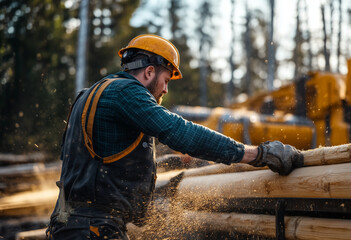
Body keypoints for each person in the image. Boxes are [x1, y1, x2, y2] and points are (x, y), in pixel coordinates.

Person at [46, 34, 303, 239]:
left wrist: (170, 161)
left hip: (69, 225)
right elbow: (181, 131)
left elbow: (102, 160)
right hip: (94, 229)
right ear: (149, 72)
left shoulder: (89, 94)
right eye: (166, 80)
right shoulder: (128, 92)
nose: (165, 90)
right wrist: (257, 154)